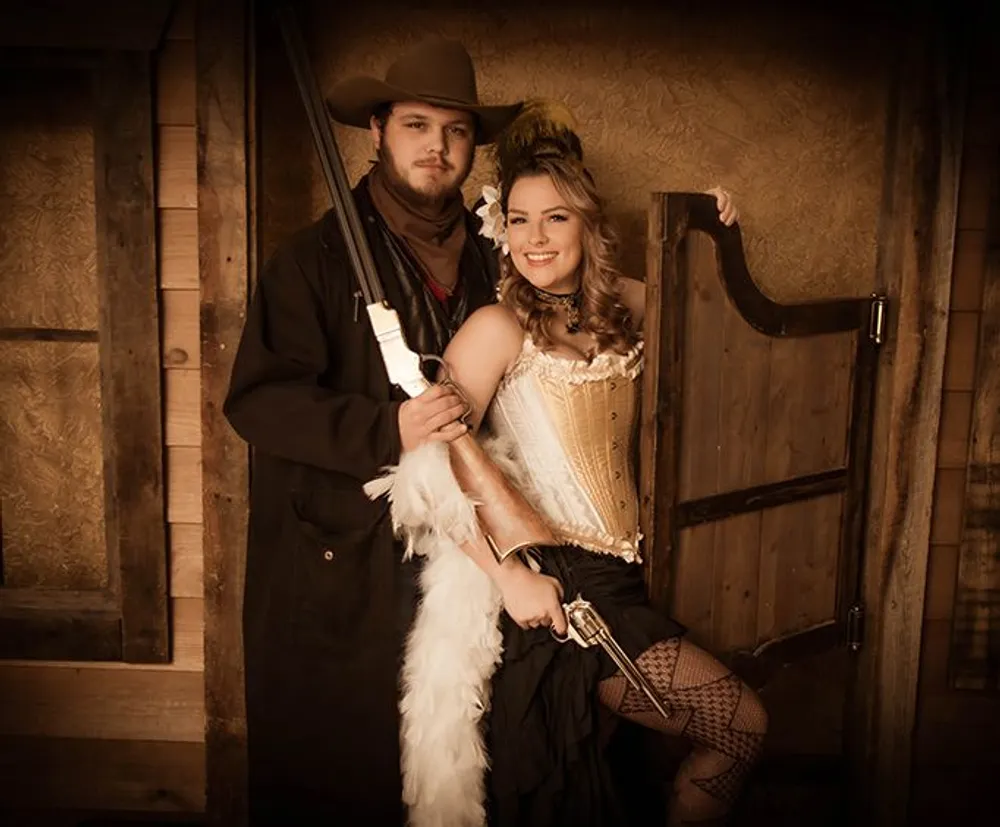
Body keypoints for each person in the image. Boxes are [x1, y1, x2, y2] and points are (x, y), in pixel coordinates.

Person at [366, 102, 766, 827]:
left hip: (632, 576)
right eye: (518, 219)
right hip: (562, 591)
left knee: (630, 784)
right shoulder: (496, 328)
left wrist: (722, 235)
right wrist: (507, 574)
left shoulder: (632, 307)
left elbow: (723, 328)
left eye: (555, 218)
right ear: (501, 227)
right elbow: (428, 468)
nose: (534, 238)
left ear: (588, 222)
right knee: (738, 726)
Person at [222, 37, 523, 826]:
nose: (438, 147)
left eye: (455, 131)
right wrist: (385, 424)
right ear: (379, 130)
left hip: (467, 553)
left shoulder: (503, 254)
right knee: (344, 770)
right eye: (418, 125)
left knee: (459, 764)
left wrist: (711, 220)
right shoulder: (312, 259)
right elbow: (256, 401)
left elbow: (589, 289)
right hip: (339, 559)